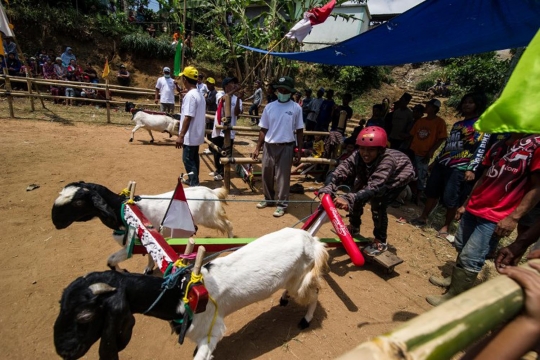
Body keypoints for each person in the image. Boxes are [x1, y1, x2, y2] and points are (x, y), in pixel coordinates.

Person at [425, 132, 540, 306]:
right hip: (476, 206)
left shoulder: (535, 146)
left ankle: (454, 298)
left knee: (472, 255)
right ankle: (454, 282)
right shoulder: (499, 144)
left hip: (496, 214)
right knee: (462, 246)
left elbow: (538, 186)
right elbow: (484, 177)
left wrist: (513, 217)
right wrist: (466, 203)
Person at [318, 126, 415, 256]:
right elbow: (341, 169)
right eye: (362, 148)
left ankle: (380, 241)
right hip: (371, 173)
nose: (365, 153)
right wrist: (328, 187)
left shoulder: (387, 160)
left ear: (380, 150)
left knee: (378, 203)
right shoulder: (357, 155)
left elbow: (374, 187)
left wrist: (347, 198)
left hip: (396, 177)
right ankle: (354, 226)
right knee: (356, 191)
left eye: (371, 150)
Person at [411, 93, 487, 239]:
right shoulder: (458, 125)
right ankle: (423, 217)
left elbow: (480, 148)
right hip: (443, 162)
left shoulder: (481, 125)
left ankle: (446, 226)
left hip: (460, 166)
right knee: (432, 190)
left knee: (450, 197)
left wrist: (472, 168)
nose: (466, 105)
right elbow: (447, 146)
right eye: (465, 102)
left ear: (478, 104)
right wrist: (435, 161)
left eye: (471, 102)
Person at [252, 76, 304, 218]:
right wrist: (257, 147)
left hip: (286, 146)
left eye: (285, 90)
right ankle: (268, 199)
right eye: (279, 89)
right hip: (269, 146)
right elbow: (263, 129)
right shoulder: (270, 107)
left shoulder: (296, 108)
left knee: (283, 177)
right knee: (266, 173)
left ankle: (282, 205)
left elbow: (299, 130)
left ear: (290, 92)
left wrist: (299, 150)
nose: (282, 91)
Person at [408, 99, 447, 203]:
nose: (426, 107)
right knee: (410, 172)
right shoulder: (420, 121)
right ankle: (409, 194)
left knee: (421, 175)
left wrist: (431, 151)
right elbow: (412, 135)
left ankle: (418, 197)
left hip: (424, 153)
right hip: (413, 151)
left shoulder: (439, 122)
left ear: (434, 108)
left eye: (428, 106)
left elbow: (442, 138)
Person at [175, 66, 206, 187]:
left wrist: (181, 135)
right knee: (194, 158)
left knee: (187, 159)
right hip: (196, 134)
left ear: (185, 80)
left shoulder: (190, 96)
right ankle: (194, 179)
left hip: (190, 134)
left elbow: (188, 116)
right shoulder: (199, 94)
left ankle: (194, 184)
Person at [210, 77, 243, 181]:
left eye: (234, 83)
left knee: (227, 151)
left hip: (229, 131)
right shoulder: (220, 94)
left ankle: (223, 172)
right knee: (217, 151)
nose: (233, 85)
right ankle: (218, 170)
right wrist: (235, 91)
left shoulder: (237, 99)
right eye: (231, 83)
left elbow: (237, 113)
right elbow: (223, 99)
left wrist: (238, 98)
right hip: (219, 129)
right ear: (225, 86)